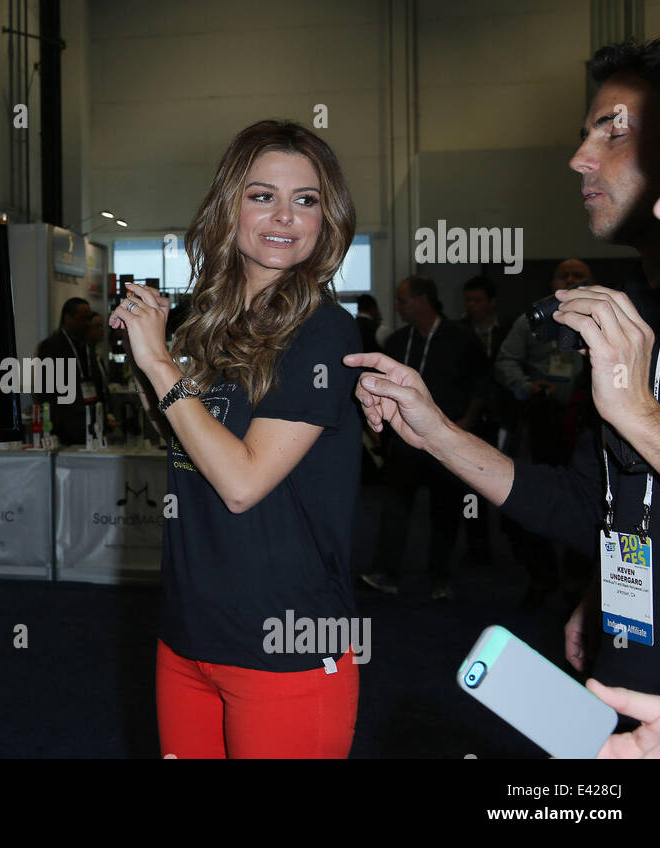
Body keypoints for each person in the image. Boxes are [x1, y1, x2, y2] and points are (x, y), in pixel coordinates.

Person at [348, 38, 660, 703]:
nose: (580, 158)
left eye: (614, 130)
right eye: (585, 135)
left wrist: (639, 413)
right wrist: (435, 430)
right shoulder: (631, 317)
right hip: (634, 680)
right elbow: (588, 505)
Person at [112, 119, 362, 758]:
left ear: (326, 217)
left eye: (305, 199)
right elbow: (187, 440)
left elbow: (243, 482)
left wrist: (161, 366)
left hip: (285, 644)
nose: (284, 216)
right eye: (262, 196)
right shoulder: (208, 323)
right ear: (230, 207)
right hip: (189, 636)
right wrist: (151, 359)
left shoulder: (323, 332)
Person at [358, 276, 490, 599]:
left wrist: (466, 423)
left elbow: (481, 385)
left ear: (422, 300)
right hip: (403, 441)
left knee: (444, 509)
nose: (398, 306)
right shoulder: (396, 342)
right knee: (395, 505)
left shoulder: (462, 339)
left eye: (402, 300)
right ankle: (386, 573)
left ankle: (440, 578)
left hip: (447, 439)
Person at [495, 259, 593, 608]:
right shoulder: (532, 319)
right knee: (528, 496)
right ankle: (542, 576)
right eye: (563, 275)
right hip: (539, 420)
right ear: (554, 282)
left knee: (588, 504)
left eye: (578, 276)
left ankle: (577, 583)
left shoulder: (604, 321)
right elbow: (505, 360)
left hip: (588, 425)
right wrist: (525, 386)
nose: (570, 280)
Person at [457, 275, 510, 569]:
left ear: (491, 302)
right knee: (473, 487)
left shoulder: (510, 328)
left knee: (513, 480)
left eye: (477, 300)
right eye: (468, 301)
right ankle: (478, 547)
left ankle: (515, 543)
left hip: (506, 417)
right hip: (473, 418)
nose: (472, 306)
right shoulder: (459, 332)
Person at [36, 297, 95, 445]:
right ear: (68, 318)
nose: (88, 324)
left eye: (89, 319)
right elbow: (45, 391)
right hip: (64, 427)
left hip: (90, 423)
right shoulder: (51, 347)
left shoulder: (87, 346)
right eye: (83, 319)